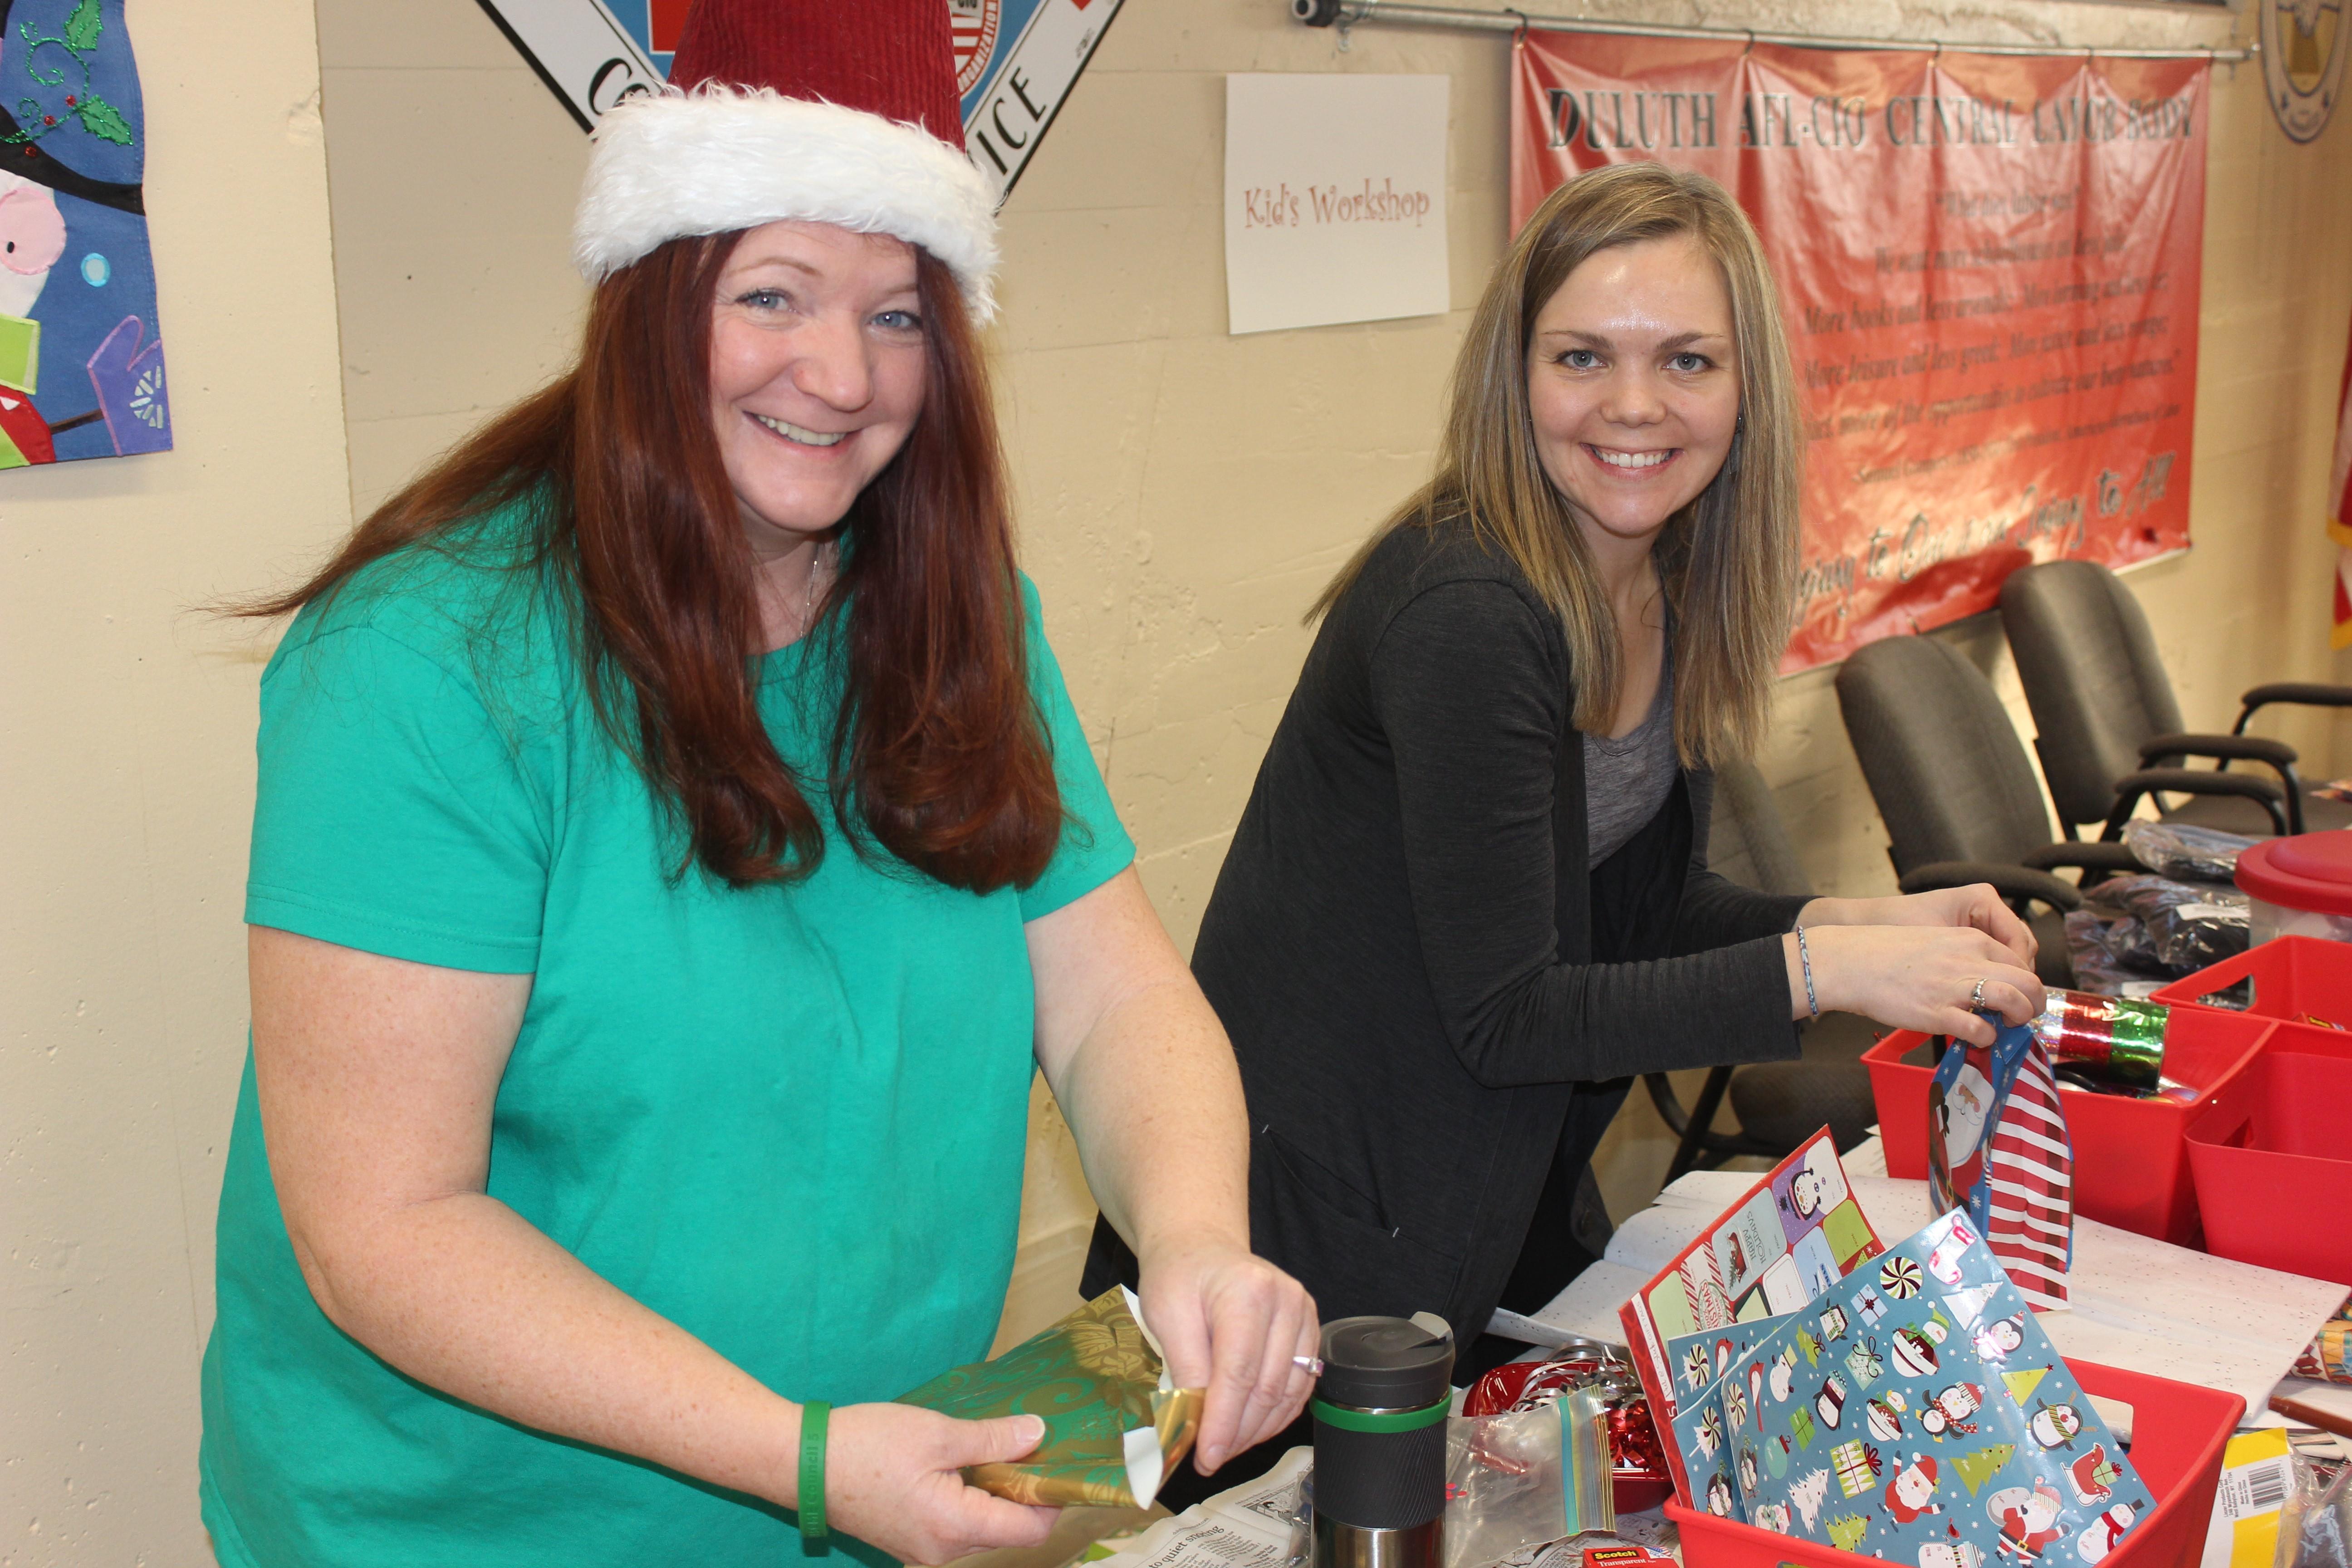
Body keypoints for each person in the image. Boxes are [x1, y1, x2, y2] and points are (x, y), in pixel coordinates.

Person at [197, 7, 1313, 1565]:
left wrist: (1197, 1237)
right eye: (772, 295)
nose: (840, 374)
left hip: (879, 1482)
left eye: (902, 314)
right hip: (483, 1530)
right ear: (657, 303)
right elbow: (384, 1227)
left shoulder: (953, 607)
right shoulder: (429, 659)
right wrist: (800, 1461)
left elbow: (1113, 996)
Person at [1090, 162, 2044, 1489]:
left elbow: (1637, 917)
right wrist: (1829, 976)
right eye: (1584, 356)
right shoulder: (1470, 605)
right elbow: (1513, 1013)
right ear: (1514, 373)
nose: (1635, 405)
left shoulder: (1666, 576)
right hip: (1308, 1243)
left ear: (1744, 385)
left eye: (1687, 360)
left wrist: (1855, 921)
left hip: (1486, 1198)